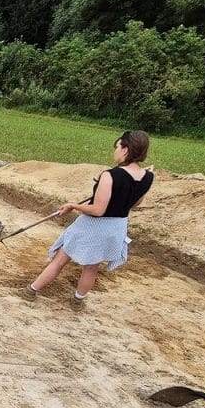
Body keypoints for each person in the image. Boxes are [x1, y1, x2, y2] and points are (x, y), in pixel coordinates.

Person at [22, 130, 154, 310]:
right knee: (91, 267)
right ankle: (78, 301)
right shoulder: (148, 176)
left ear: (125, 150)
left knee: (60, 259)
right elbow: (136, 203)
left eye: (117, 147)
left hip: (94, 226)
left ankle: (31, 291)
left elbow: (98, 210)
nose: (114, 151)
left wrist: (73, 206)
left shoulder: (110, 175)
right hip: (116, 227)